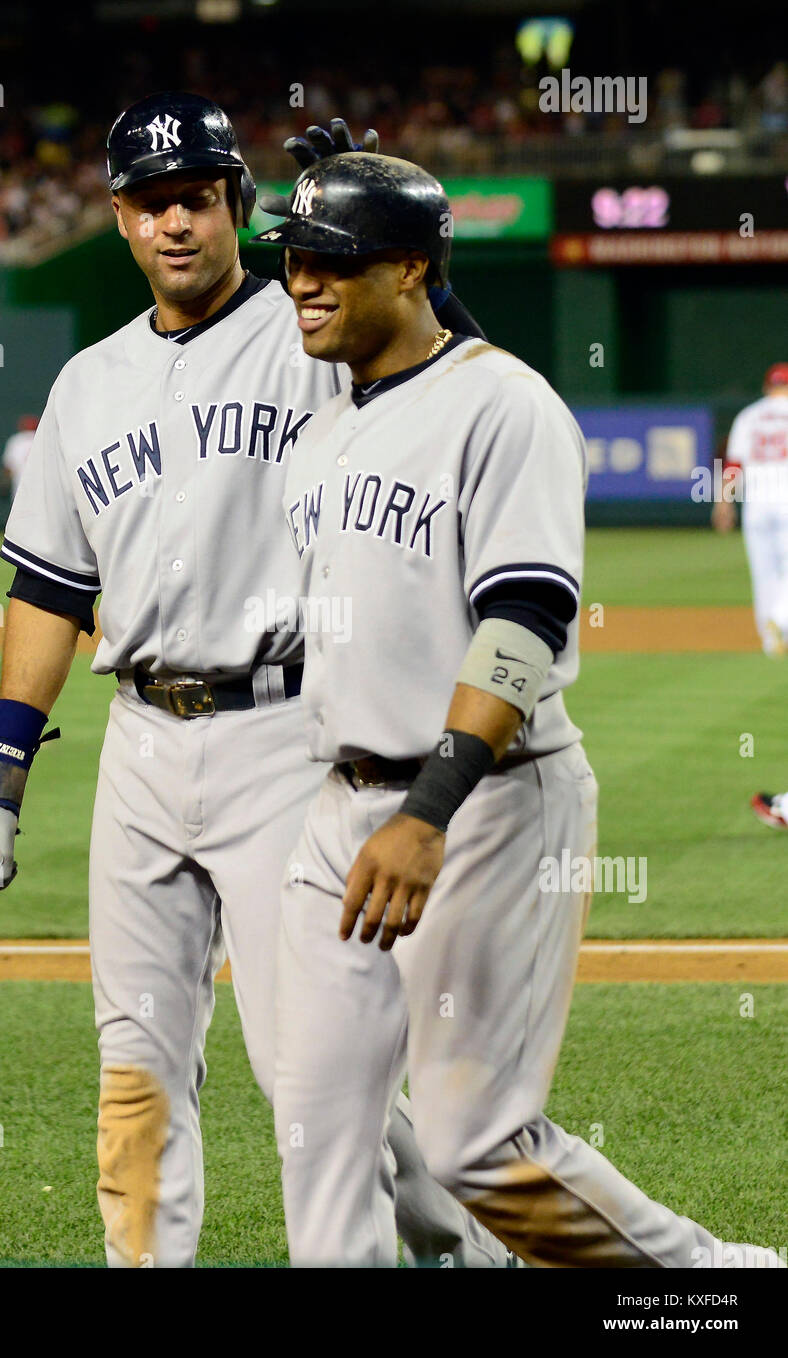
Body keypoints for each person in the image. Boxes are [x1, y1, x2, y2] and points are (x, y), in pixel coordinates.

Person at [0, 93, 512, 1269]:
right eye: (150, 205)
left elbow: (460, 382)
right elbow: (50, 590)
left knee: (311, 1066)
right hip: (140, 747)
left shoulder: (316, 335)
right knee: (136, 1061)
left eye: (196, 199)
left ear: (236, 206)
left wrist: (387, 248)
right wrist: (1, 758)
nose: (175, 226)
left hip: (289, 737)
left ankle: (457, 1240)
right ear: (116, 220)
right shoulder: (89, 386)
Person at [256, 151, 785, 1267]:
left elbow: (526, 621)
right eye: (292, 258)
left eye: (332, 260)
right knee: (320, 1128)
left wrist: (429, 810)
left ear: (410, 268)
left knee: (475, 1142)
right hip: (334, 814)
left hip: (481, 803)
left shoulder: (507, 408)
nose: (300, 282)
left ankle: (713, 1284)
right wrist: (344, 188)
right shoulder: (320, 420)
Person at [712, 363, 788, 656]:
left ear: (767, 387)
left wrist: (723, 502)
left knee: (764, 573)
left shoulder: (750, 415)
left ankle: (770, 642)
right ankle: (779, 621)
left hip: (756, 505)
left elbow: (734, 465)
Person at [0, 414, 39, 501]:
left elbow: (8, 468)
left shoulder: (16, 440)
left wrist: (4, 484)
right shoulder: (42, 438)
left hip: (20, 488)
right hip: (42, 487)